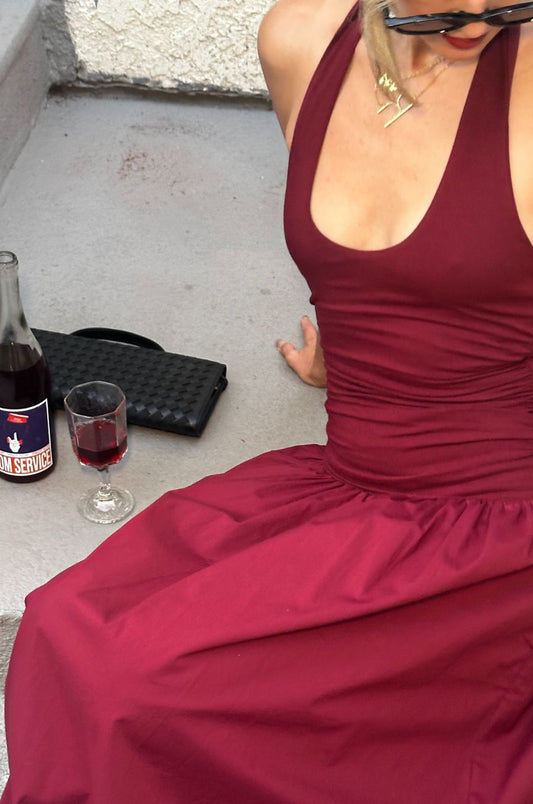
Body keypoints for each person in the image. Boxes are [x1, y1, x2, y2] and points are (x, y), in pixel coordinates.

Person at [3, 0, 533, 800]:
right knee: (68, 630)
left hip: (491, 521)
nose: (471, 14)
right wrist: (358, 352)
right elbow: (377, 261)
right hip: (348, 477)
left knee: (150, 690)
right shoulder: (301, 40)